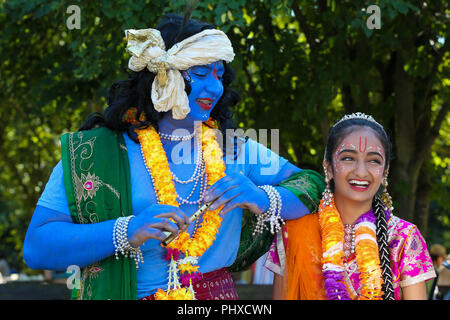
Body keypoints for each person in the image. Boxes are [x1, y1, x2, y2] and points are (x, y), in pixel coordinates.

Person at [22, 14, 316, 300]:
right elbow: (37, 248)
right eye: (200, 73)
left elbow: (312, 184)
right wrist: (127, 230)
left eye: (219, 75)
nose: (214, 88)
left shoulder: (234, 148)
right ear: (163, 75)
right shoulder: (96, 154)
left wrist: (263, 198)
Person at [267, 112, 436, 300]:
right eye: (348, 158)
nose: (361, 171)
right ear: (329, 167)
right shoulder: (294, 233)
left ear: (384, 172)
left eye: (374, 161)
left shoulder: (404, 238)